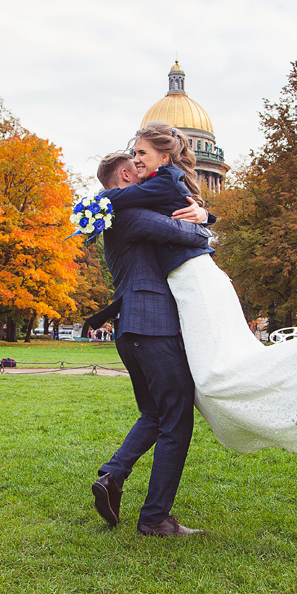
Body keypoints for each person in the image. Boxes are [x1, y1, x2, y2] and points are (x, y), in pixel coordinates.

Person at [91, 121, 297, 457]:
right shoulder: (151, 194)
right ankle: (289, 397)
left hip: (196, 281)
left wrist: (98, 203)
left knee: (219, 373)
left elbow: (187, 233)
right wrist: (205, 214)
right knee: (219, 371)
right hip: (188, 286)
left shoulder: (150, 190)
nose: (136, 160)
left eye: (141, 153)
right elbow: (171, 220)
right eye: (134, 156)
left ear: (164, 156)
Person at [87, 177, 215, 538]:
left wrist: (204, 214)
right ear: (123, 180)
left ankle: (113, 475)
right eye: (135, 174)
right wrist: (202, 220)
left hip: (132, 329)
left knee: (155, 413)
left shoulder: (118, 217)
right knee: (176, 419)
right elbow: (192, 236)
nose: (143, 181)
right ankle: (155, 518)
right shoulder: (130, 215)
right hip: (152, 326)